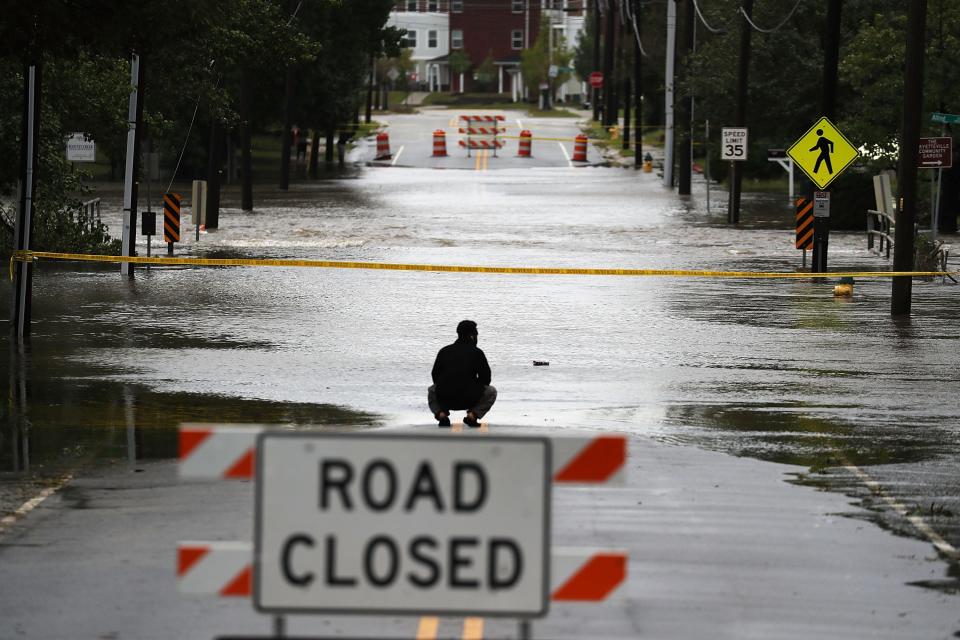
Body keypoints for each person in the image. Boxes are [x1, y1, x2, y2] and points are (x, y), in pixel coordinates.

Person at [428, 320, 496, 428]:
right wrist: (474, 386)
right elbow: (486, 379)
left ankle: (441, 415)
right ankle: (472, 416)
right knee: (491, 391)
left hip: (445, 398)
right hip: (469, 398)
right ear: (472, 336)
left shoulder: (444, 351)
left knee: (432, 389)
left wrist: (446, 385)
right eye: (476, 334)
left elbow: (434, 376)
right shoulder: (477, 352)